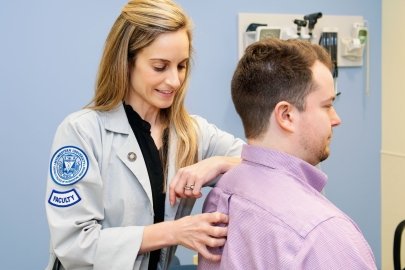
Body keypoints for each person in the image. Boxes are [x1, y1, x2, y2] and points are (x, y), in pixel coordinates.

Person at [44, 0, 244, 269]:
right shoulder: (82, 132)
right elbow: (75, 245)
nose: (174, 80)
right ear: (126, 62)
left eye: (182, 66)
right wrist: (175, 232)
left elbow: (274, 165)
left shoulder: (193, 133)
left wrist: (219, 163)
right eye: (160, 67)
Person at [198, 38, 377, 269]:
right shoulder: (322, 234)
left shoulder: (224, 193)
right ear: (286, 115)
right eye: (327, 105)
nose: (336, 119)